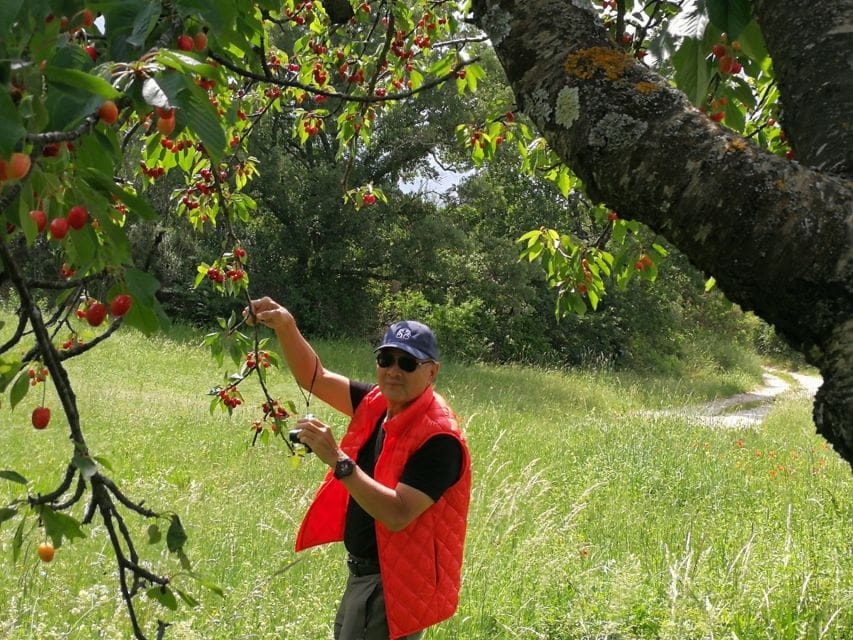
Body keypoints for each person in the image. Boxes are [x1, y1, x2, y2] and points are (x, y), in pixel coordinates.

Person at [246, 297, 472, 640]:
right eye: (386, 359)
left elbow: (398, 514)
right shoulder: (379, 402)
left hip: (391, 587)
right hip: (369, 579)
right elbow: (315, 377)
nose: (394, 370)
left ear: (432, 372)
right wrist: (286, 326)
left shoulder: (440, 438)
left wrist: (338, 460)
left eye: (408, 363)